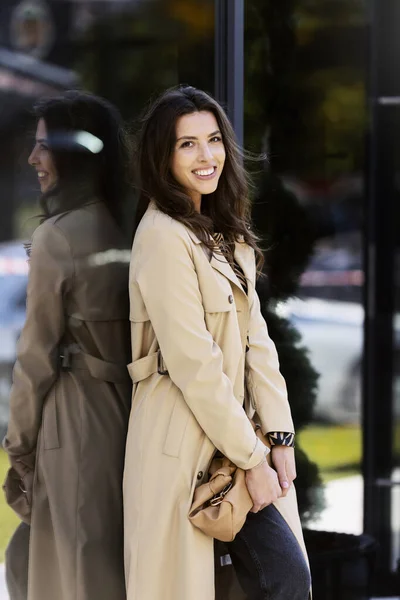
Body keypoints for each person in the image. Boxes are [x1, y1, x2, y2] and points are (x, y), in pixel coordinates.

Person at [123, 85, 311, 600]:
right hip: (182, 444)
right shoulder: (162, 235)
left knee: (281, 578)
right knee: (263, 581)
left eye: (212, 140)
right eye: (187, 144)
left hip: (238, 438)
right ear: (162, 156)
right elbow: (193, 364)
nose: (206, 156)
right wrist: (253, 459)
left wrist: (280, 436)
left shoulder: (226, 232)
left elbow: (257, 341)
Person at [3, 90, 132, 600]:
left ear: (72, 152)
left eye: (43, 147)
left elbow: (35, 357)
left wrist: (18, 447)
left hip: (74, 422)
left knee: (70, 568)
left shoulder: (59, 236)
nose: (33, 159)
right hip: (131, 418)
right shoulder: (135, 222)